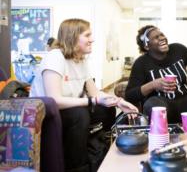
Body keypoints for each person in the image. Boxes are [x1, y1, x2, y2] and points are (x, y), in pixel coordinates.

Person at [30, 18, 138, 172]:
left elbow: (95, 93)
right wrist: (92, 100)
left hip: (68, 110)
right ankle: (79, 167)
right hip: (46, 114)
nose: (92, 39)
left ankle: (99, 152)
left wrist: (119, 101)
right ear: (73, 36)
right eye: (87, 35)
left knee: (106, 109)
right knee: (79, 114)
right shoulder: (55, 57)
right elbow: (54, 100)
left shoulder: (81, 60)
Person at [124, 25, 187, 123]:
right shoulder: (141, 63)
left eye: (162, 35)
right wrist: (153, 85)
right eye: (156, 37)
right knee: (153, 107)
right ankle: (161, 139)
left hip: (186, 99)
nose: (162, 38)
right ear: (147, 46)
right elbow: (129, 95)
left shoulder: (178, 49)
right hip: (160, 101)